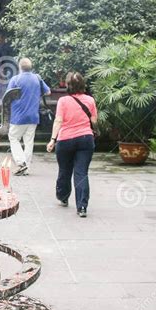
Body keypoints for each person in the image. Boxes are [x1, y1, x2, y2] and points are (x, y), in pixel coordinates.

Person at [46, 72, 98, 218]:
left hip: (65, 140)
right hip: (85, 138)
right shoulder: (90, 100)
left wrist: (52, 139)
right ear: (83, 85)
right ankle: (82, 207)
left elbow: (58, 121)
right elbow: (94, 120)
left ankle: (63, 196)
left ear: (68, 85)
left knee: (64, 170)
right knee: (81, 173)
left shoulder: (63, 101)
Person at [7, 57, 50, 176]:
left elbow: (8, 96)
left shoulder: (15, 79)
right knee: (29, 141)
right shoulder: (37, 78)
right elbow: (48, 92)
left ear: (19, 67)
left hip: (18, 116)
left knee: (14, 138)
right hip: (33, 116)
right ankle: (26, 168)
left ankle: (21, 163)